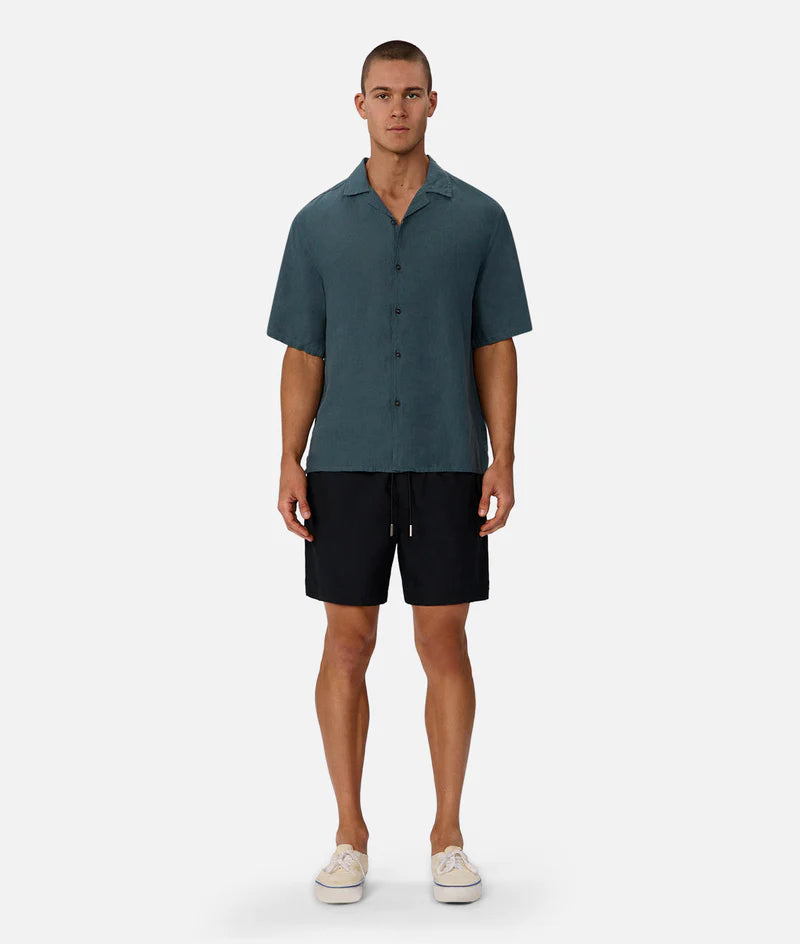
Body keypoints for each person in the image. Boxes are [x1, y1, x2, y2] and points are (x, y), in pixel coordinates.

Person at [266, 40, 532, 904]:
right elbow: (303, 353)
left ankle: (448, 835)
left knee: (443, 642)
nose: (397, 109)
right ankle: (349, 833)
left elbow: (495, 345)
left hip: (446, 458)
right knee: (346, 643)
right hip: (343, 463)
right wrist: (289, 458)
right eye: (382, 95)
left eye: (411, 94)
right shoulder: (316, 224)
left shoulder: (480, 218)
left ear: (433, 103)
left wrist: (503, 455)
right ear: (359, 105)